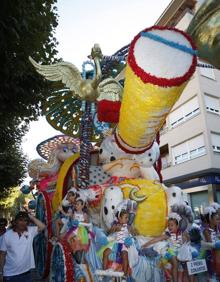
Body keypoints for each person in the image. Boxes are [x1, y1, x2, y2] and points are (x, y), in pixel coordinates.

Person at [142, 213, 189, 282]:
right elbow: (157, 239)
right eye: (168, 225)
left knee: (187, 264)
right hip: (170, 252)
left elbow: (187, 240)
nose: (170, 227)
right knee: (174, 261)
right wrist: (145, 244)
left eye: (172, 225)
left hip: (181, 252)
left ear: (177, 225)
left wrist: (185, 238)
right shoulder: (168, 234)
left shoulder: (182, 233)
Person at [0, 211, 46, 282]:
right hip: (10, 274)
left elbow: (43, 226)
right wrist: (1, 273)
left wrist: (31, 217)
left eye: (25, 221)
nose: (23, 223)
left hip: (26, 273)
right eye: (20, 220)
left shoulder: (30, 231)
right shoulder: (6, 235)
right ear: (15, 221)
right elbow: (2, 255)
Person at [102, 209, 135, 277]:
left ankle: (124, 275)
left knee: (124, 255)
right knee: (105, 253)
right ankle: (104, 271)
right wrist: (113, 229)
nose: (127, 219)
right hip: (116, 243)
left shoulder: (128, 227)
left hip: (124, 244)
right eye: (125, 217)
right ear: (120, 218)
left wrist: (131, 238)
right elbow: (108, 233)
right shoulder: (116, 226)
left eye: (128, 218)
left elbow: (134, 235)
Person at [65, 198, 90, 263]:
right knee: (68, 238)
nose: (76, 205)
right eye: (76, 204)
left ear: (82, 206)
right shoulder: (74, 213)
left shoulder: (84, 214)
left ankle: (80, 255)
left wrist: (82, 223)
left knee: (81, 241)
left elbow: (87, 223)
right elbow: (72, 222)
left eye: (78, 204)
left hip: (81, 230)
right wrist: (73, 223)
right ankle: (72, 252)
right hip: (74, 229)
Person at [202, 206, 220, 280]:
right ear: (211, 220)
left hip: (217, 252)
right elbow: (211, 244)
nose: (219, 221)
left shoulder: (217, 229)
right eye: (217, 219)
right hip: (211, 254)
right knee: (212, 275)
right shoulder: (206, 230)